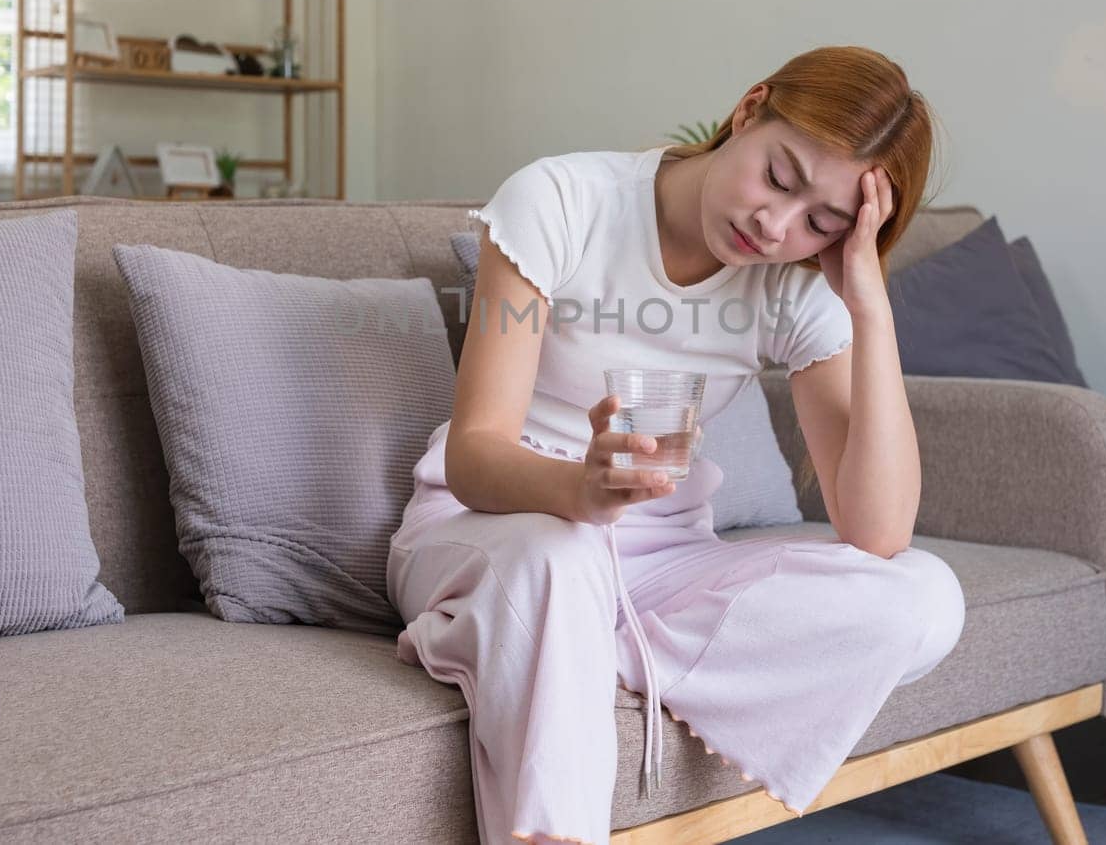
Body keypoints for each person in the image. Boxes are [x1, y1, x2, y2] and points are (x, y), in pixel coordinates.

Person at [386, 45, 967, 845]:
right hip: (493, 524)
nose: (776, 225)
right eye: (779, 175)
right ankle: (537, 664)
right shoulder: (561, 200)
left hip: (659, 561)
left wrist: (871, 308)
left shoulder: (798, 282)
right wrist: (577, 491)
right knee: (558, 558)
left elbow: (878, 532)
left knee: (926, 598)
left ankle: (556, 648)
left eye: (821, 222)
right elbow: (473, 454)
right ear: (749, 108)